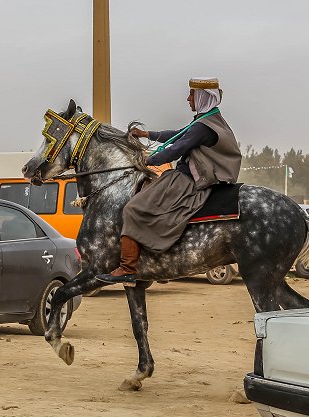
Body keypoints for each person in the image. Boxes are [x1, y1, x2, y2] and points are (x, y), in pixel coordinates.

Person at [95, 77, 242, 284]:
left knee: (132, 209)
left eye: (191, 94)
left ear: (201, 97)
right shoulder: (208, 120)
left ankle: (127, 267)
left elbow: (177, 149)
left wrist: (147, 159)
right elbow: (178, 135)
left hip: (186, 180)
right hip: (187, 176)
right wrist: (147, 134)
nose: (188, 99)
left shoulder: (203, 126)